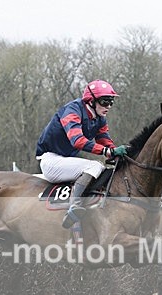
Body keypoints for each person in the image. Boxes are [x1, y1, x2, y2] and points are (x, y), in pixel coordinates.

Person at [36, 79, 127, 230]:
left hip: (65, 160)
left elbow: (103, 138)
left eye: (111, 102)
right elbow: (77, 141)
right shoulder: (72, 110)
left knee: (100, 170)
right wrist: (106, 152)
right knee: (95, 165)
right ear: (91, 101)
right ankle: (74, 206)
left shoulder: (99, 118)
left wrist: (115, 151)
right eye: (105, 102)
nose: (109, 106)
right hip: (50, 160)